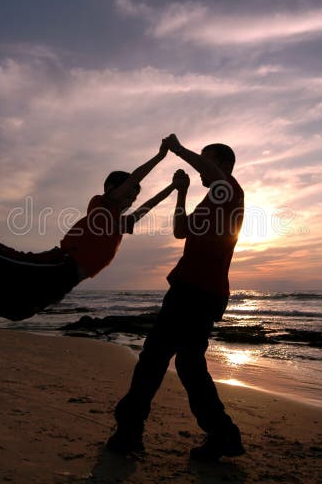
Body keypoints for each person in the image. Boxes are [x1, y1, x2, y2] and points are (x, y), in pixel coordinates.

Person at [107, 134, 245, 462]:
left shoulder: (229, 191)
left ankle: (128, 432)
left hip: (194, 292)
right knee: (188, 364)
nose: (200, 169)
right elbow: (181, 231)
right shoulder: (210, 200)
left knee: (154, 358)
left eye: (206, 161)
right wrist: (181, 194)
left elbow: (207, 171)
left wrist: (179, 149)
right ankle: (223, 435)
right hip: (197, 291)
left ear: (224, 166)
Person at [0, 142, 179, 321]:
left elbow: (146, 208)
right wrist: (160, 157)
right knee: (11, 261)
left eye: (133, 198)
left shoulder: (117, 223)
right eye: (129, 193)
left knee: (17, 310)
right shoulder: (100, 205)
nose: (131, 200)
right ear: (113, 188)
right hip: (61, 263)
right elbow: (134, 179)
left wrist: (173, 188)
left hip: (67, 280)